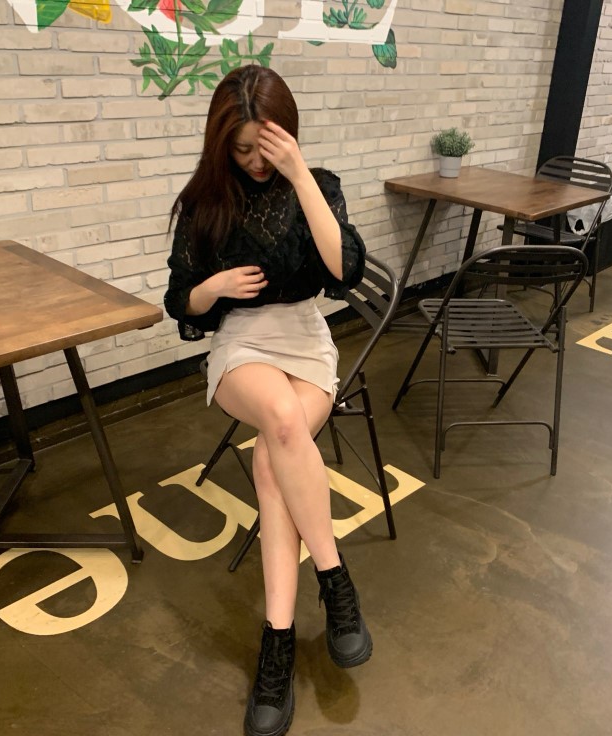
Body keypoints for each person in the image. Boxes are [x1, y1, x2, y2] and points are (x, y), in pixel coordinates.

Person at [163, 65, 372, 736]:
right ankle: (335, 578)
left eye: (266, 146)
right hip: (242, 346)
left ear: (289, 134)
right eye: (242, 148)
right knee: (281, 420)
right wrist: (215, 286)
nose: (255, 161)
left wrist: (300, 173)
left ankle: (277, 641)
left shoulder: (319, 186)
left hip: (306, 341)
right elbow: (180, 301)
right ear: (221, 143)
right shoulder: (204, 201)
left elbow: (345, 269)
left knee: (271, 461)